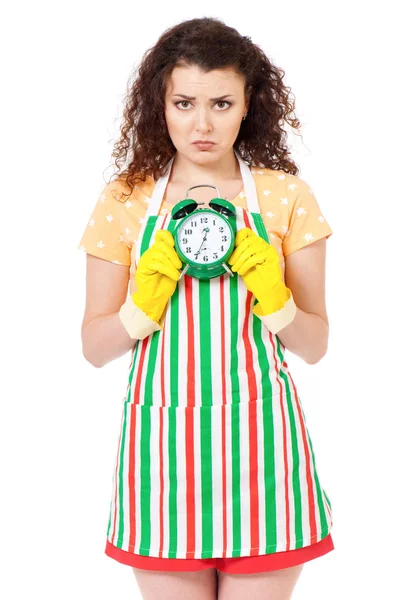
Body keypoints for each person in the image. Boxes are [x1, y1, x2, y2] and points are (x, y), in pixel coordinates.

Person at [78, 16, 335, 600]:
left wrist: (277, 297)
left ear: (249, 105)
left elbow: (316, 346)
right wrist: (140, 307)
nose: (201, 123)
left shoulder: (286, 197)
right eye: (184, 102)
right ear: (159, 105)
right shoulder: (126, 199)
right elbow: (94, 348)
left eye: (221, 102)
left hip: (264, 455)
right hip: (161, 456)